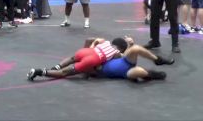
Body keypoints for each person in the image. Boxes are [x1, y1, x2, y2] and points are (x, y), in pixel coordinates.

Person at [27, 37, 174, 81]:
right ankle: (42, 71)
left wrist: (92, 44)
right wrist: (130, 44)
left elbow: (92, 40)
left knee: (71, 62)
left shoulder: (107, 46)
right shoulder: (116, 53)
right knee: (135, 71)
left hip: (90, 55)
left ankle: (156, 62)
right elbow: (85, 72)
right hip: (101, 64)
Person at [27, 37, 122, 80]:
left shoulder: (106, 42)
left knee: (72, 58)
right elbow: (116, 61)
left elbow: (91, 39)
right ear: (120, 48)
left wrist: (94, 44)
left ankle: (56, 67)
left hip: (86, 51)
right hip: (92, 59)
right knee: (64, 73)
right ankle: (39, 72)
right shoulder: (117, 52)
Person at [98, 36, 174, 81]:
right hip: (126, 73)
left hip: (126, 61)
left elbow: (124, 55)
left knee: (136, 48)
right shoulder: (95, 66)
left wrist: (130, 45)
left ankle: (157, 60)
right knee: (138, 72)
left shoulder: (111, 55)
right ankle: (151, 74)